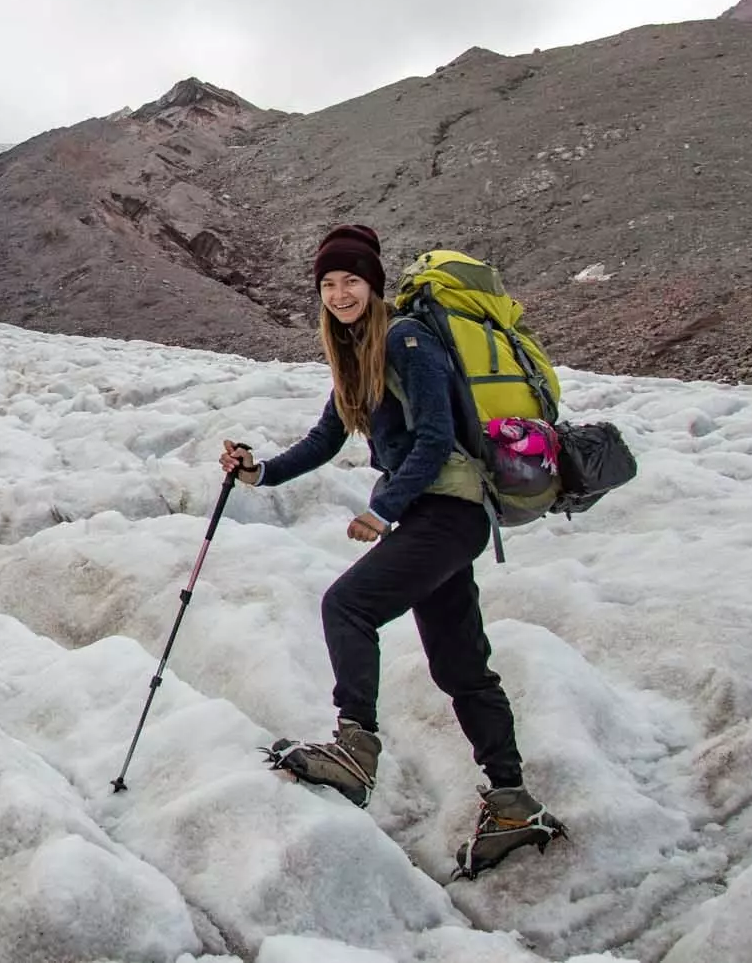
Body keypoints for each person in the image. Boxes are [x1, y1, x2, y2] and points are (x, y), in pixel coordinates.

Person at [219, 224, 565, 877]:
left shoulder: (405, 338)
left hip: (449, 510)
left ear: (374, 284)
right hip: (435, 517)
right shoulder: (356, 351)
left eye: (351, 281)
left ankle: (356, 749)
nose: (340, 292)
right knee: (462, 667)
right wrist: (258, 472)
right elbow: (325, 438)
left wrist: (384, 509)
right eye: (328, 283)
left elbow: (435, 436)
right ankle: (513, 802)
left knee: (347, 606)